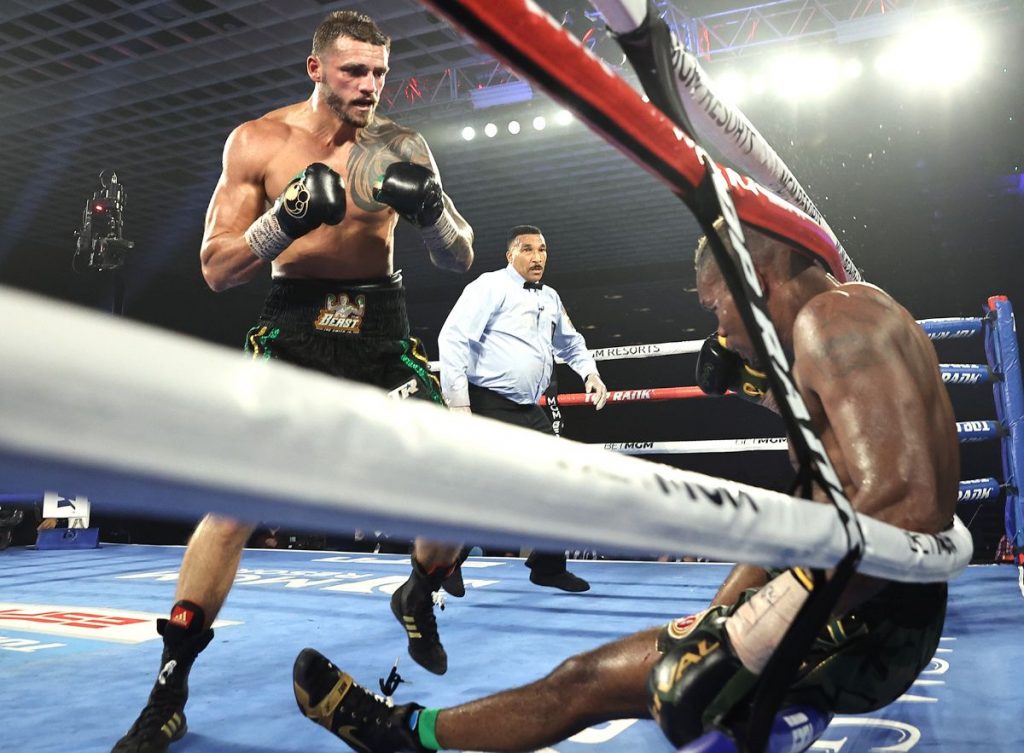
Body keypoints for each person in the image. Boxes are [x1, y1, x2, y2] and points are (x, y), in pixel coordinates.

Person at [289, 220, 958, 753]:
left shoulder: (827, 324)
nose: (719, 329)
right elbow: (843, 475)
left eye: (714, 305)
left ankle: (402, 730)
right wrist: (713, 626)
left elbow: (905, 508)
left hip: (858, 615)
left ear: (750, 279)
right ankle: (415, 689)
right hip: (865, 601)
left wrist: (747, 637)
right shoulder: (867, 308)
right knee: (645, 667)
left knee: (587, 681)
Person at [111, 11, 474, 753]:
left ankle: (418, 589)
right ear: (316, 69)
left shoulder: (402, 146)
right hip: (294, 326)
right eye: (354, 71)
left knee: (457, 484)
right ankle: (167, 692)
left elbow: (460, 252)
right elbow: (216, 268)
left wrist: (434, 213)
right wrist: (286, 220)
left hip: (381, 329)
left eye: (379, 72)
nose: (370, 85)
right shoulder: (259, 142)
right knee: (233, 505)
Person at [437, 224, 608, 593]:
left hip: (528, 408)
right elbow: (453, 337)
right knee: (493, 487)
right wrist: (458, 403)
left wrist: (589, 373)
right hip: (488, 402)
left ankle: (548, 566)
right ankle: (447, 561)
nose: (537, 257)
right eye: (527, 249)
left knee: (560, 477)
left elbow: (570, 342)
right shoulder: (489, 286)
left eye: (542, 249)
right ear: (510, 254)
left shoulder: (550, 297)